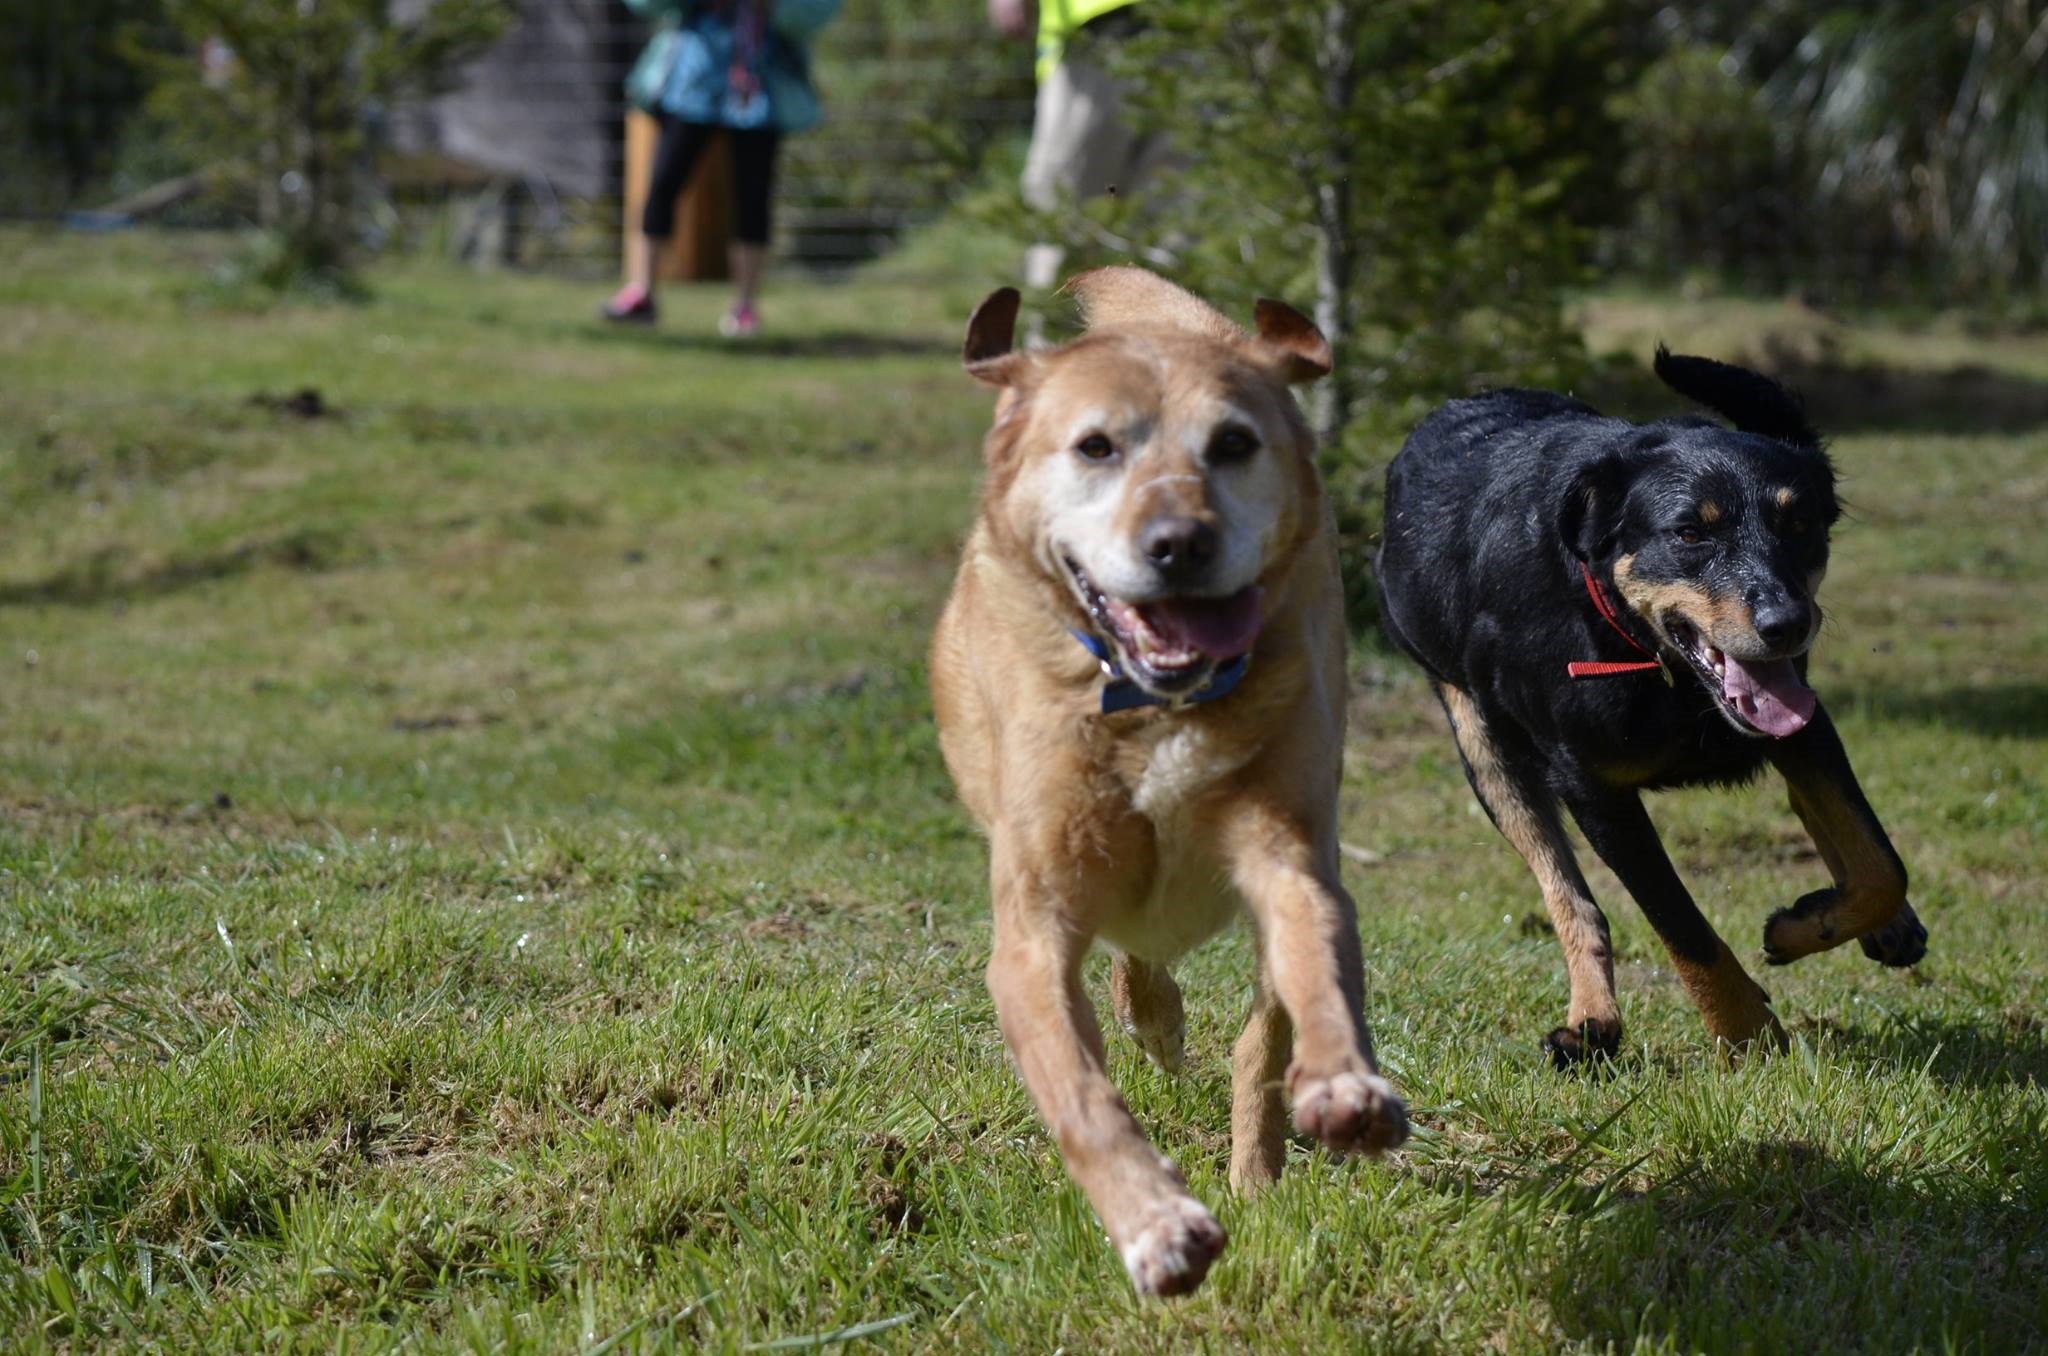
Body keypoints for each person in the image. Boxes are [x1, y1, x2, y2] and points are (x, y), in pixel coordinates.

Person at [604, 0, 841, 336]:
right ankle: (642, 291)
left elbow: (817, 13)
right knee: (663, 182)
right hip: (692, 83)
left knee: (753, 196)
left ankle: (745, 305)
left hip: (761, 86)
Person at [990, 0, 1170, 304]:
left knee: (1171, 234)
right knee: (1065, 220)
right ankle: (1051, 343)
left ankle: (1167, 343)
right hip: (1095, 33)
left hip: (1193, 33)